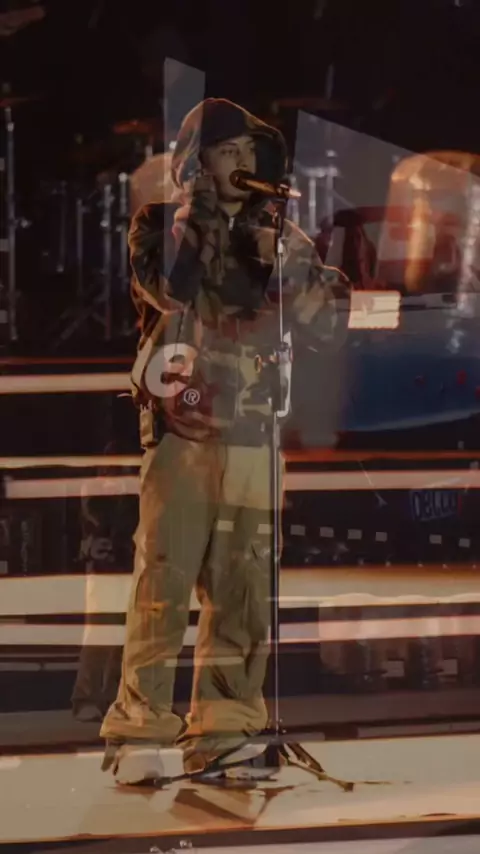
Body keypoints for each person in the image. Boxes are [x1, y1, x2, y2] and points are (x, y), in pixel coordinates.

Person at [100, 97, 346, 785]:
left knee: (245, 584)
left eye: (247, 151)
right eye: (224, 151)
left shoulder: (281, 236)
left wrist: (289, 270)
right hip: (184, 427)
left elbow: (326, 323)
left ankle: (227, 727)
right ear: (195, 163)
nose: (239, 162)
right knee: (165, 576)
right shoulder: (161, 226)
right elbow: (170, 290)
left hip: (253, 428)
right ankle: (140, 726)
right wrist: (209, 222)